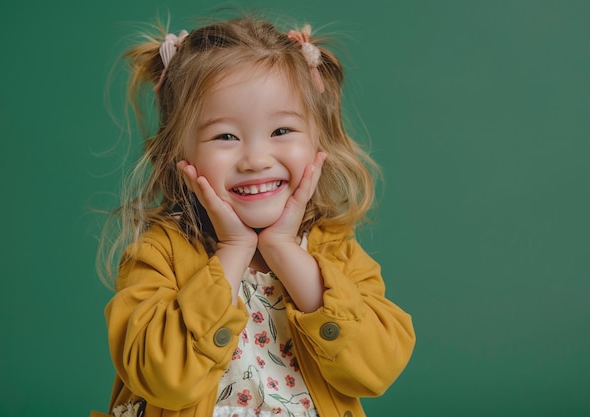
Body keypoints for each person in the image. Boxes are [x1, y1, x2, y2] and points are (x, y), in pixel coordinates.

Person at [92, 12, 415, 417]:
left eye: (281, 131)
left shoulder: (335, 250)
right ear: (179, 152)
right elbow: (163, 378)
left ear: (319, 136)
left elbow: (377, 369)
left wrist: (284, 251)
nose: (256, 160)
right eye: (225, 136)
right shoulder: (160, 254)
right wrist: (234, 248)